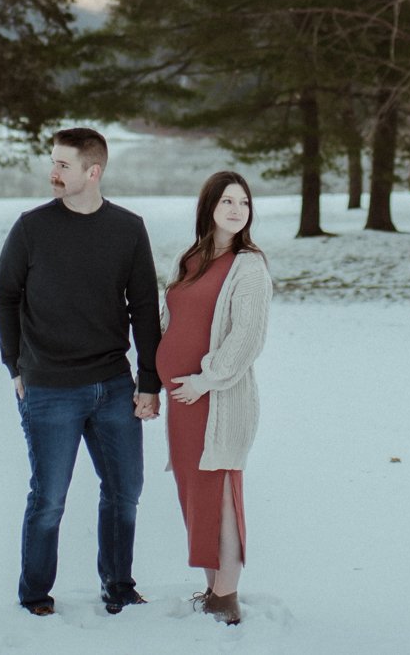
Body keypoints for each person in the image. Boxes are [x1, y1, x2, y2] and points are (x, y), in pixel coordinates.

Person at [0, 127, 161, 618]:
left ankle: (118, 586)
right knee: (49, 498)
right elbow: (6, 296)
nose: (53, 172)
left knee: (125, 492)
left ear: (93, 171)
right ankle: (35, 596)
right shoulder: (31, 228)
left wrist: (148, 381)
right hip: (48, 387)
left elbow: (145, 308)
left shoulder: (128, 229)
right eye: (53, 163)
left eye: (63, 165)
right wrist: (15, 365)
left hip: (113, 384)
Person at [159, 170, 273, 626]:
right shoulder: (189, 259)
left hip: (217, 400)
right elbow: (171, 323)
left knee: (222, 491)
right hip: (182, 403)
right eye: (227, 201)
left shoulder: (248, 265)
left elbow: (247, 337)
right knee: (195, 493)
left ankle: (226, 597)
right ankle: (211, 588)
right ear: (208, 207)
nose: (236, 210)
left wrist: (205, 380)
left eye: (243, 203)